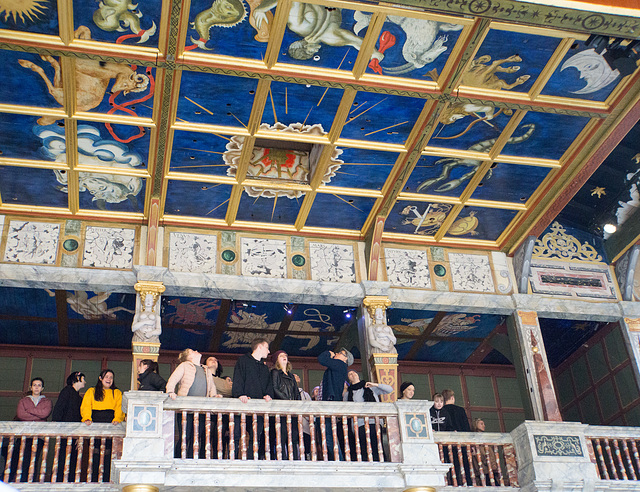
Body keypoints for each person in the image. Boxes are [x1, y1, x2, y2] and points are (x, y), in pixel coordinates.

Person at [166, 349, 219, 458]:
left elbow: (212, 386)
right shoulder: (184, 365)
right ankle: (178, 459)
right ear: (189, 357)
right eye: (192, 351)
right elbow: (173, 379)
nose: (196, 351)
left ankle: (191, 458)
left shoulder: (206, 369)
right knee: (185, 436)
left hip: (201, 409)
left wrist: (214, 396)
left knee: (196, 437)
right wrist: (170, 391)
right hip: (185, 407)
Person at [232, 338, 274, 459]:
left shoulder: (264, 367)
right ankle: (233, 458)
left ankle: (252, 459)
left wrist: (268, 395)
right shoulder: (243, 361)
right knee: (236, 434)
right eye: (266, 347)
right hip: (243, 405)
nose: (268, 351)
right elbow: (238, 378)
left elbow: (268, 385)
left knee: (256, 436)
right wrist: (240, 394)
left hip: (258, 408)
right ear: (259, 347)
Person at [81, 370, 124, 481]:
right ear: (100, 378)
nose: (109, 379)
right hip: (95, 422)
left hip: (110, 423)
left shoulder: (117, 392)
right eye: (106, 377)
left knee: (108, 455)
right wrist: (87, 418)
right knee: (95, 453)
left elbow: (120, 408)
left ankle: (106, 480)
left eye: (111, 377)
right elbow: (86, 406)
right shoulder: (92, 391)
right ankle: (94, 480)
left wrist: (117, 419)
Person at [343, 370, 392, 461]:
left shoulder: (370, 388)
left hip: (374, 422)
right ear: (349, 379)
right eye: (350, 374)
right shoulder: (348, 394)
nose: (353, 374)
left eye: (354, 372)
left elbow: (390, 389)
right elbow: (345, 408)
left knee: (377, 446)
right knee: (364, 448)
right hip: (359, 424)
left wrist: (375, 384)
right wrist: (345, 390)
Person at [14, 378, 52, 481]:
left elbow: (45, 414)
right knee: (23, 460)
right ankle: (22, 482)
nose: (36, 387)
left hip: (39, 436)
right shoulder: (24, 400)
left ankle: (31, 482)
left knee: (34, 460)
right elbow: (21, 415)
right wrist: (38, 416)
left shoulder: (47, 401)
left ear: (42, 388)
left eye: (39, 385)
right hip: (25, 435)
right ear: (31, 387)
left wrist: (29, 411)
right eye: (34, 385)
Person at [318, 348, 353, 460]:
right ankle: (338, 459)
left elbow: (322, 359)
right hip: (330, 402)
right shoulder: (338, 366)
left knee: (328, 436)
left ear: (345, 358)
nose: (337, 354)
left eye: (340, 353)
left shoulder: (340, 365)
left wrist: (328, 353)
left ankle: (339, 460)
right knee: (328, 436)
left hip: (330, 402)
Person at [52, 371, 86, 481]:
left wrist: (79, 434)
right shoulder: (67, 391)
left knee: (73, 459)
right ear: (77, 378)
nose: (85, 381)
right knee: (62, 457)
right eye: (83, 379)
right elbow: (59, 408)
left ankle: (70, 481)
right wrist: (57, 426)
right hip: (64, 431)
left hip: (74, 433)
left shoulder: (79, 397)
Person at [270, 350, 300, 459]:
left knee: (294, 436)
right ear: (276, 360)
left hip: (293, 410)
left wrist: (298, 403)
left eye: (286, 355)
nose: (284, 357)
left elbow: (296, 391)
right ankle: (282, 458)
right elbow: (275, 388)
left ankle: (295, 459)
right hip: (282, 408)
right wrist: (287, 400)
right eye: (281, 356)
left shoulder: (291, 376)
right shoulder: (275, 372)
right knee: (282, 435)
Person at [442, 389, 471, 484]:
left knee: (449, 465)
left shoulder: (441, 411)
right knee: (464, 466)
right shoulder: (460, 410)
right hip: (462, 444)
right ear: (452, 398)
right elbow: (467, 429)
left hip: (446, 445)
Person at [473, 418, 500, 485]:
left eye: (484, 424)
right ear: (476, 425)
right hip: (484, 469)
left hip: (490, 468)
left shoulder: (485, 439)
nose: (484, 425)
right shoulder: (475, 439)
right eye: (481, 424)